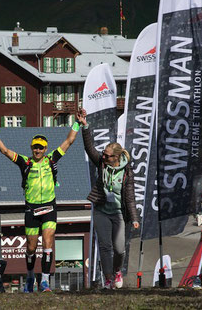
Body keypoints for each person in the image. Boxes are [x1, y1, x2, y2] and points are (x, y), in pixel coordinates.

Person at [0, 121, 80, 292]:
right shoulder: (25, 162)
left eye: (41, 148)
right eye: (35, 148)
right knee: (30, 247)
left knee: (48, 242)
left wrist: (77, 123)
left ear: (45, 149)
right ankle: (30, 277)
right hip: (31, 209)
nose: (38, 151)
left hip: (49, 207)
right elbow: (5, 151)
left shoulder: (52, 158)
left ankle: (44, 281)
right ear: (31, 148)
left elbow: (69, 141)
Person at [78, 109, 139, 289]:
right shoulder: (102, 164)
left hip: (119, 214)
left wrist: (134, 218)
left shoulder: (127, 172)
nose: (103, 156)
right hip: (101, 211)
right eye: (103, 154)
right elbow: (90, 149)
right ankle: (109, 278)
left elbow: (130, 197)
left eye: (107, 155)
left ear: (116, 157)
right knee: (105, 247)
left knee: (119, 249)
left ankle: (117, 270)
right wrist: (85, 126)